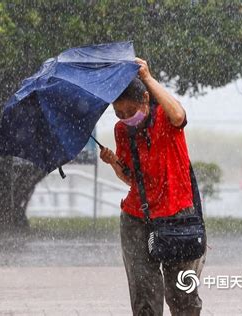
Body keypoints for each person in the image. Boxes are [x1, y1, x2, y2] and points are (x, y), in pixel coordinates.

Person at [99, 57, 207, 316]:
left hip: (177, 216)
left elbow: (180, 114)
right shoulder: (122, 131)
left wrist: (147, 77)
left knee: (182, 296)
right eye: (119, 114)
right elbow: (131, 179)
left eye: (130, 111)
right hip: (138, 218)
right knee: (143, 294)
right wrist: (114, 162)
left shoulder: (166, 119)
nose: (126, 118)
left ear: (145, 100)